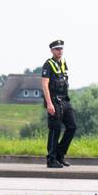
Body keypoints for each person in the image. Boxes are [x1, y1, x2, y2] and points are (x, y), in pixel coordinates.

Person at [41, 39, 75, 169]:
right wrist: (49, 104)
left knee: (72, 127)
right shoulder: (48, 64)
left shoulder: (63, 63)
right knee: (55, 130)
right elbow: (44, 85)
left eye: (61, 49)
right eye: (57, 49)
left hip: (65, 100)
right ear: (52, 51)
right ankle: (51, 159)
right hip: (54, 101)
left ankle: (60, 155)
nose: (60, 51)